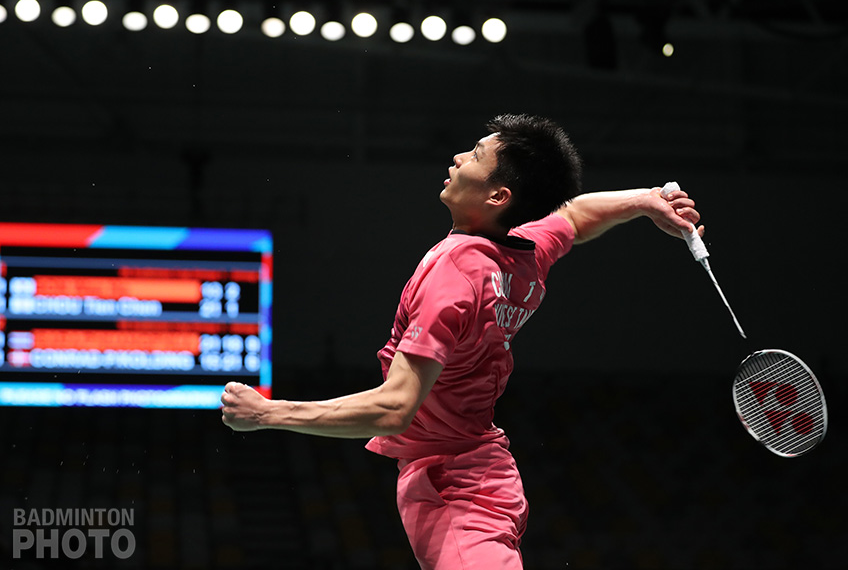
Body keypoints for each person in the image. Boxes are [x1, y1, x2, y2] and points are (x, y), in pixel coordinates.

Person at [221, 113, 704, 569]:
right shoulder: (523, 252)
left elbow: (394, 409)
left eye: (474, 155)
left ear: (498, 196)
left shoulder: (455, 275)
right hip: (480, 472)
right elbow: (574, 218)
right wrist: (645, 200)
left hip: (455, 491)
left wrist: (268, 414)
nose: (457, 157)